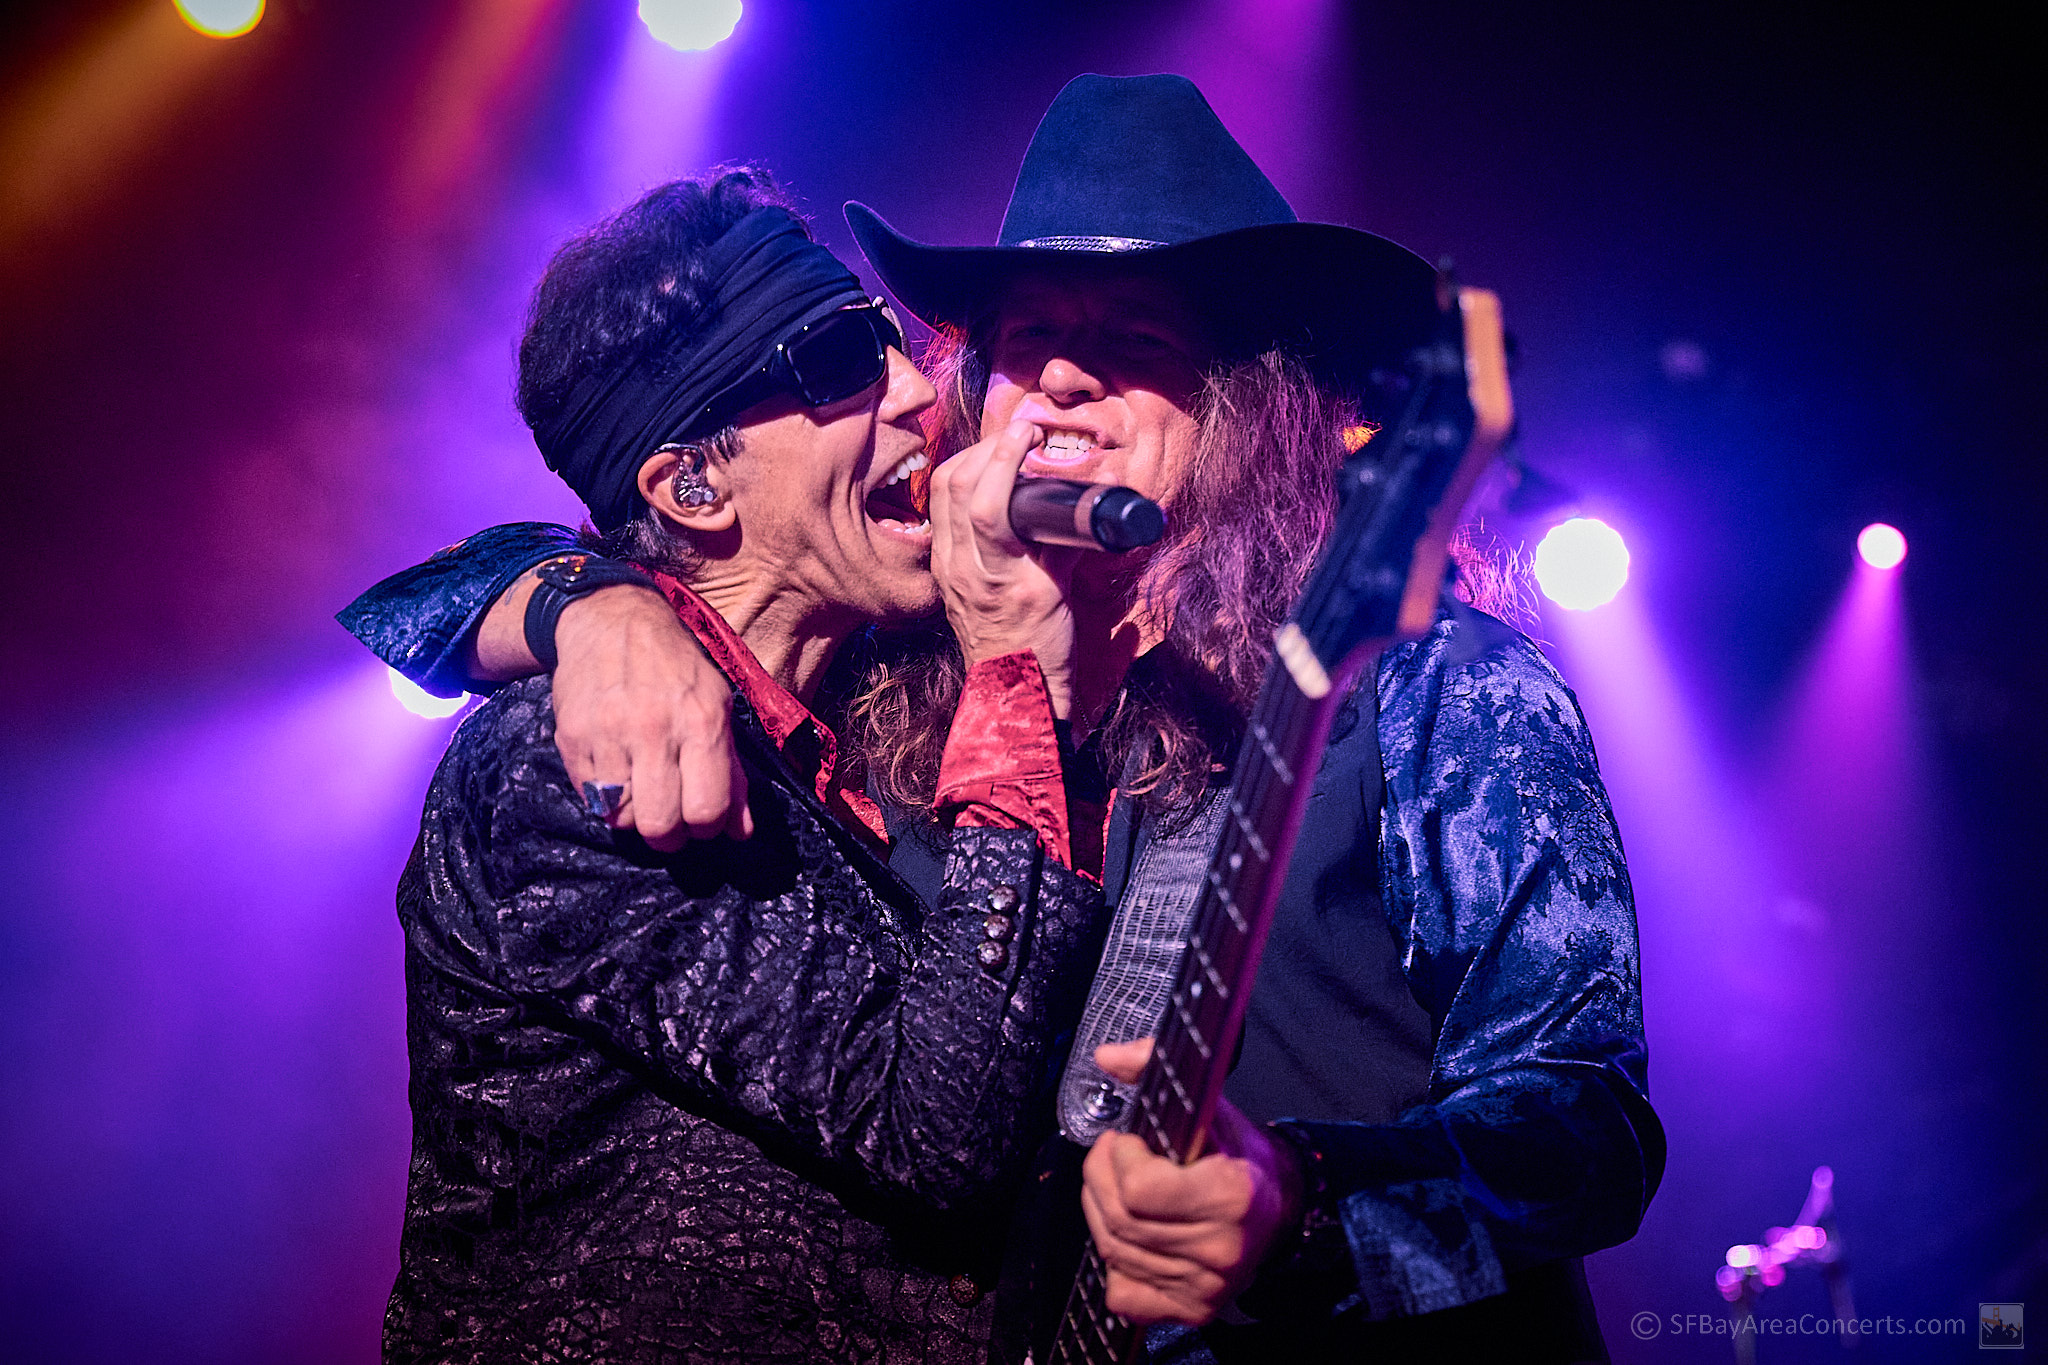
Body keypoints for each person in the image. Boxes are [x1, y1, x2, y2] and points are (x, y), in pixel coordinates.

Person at [345, 76, 1664, 1363]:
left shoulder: (1427, 686)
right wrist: (588, 599)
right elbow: (525, 565)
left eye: (1138, 343)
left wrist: (1308, 1202)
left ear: (1253, 407)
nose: (1065, 384)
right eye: (1028, 341)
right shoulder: (912, 696)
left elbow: (1588, 1125)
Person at [352, 168, 1115, 1364]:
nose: (920, 390)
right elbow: (940, 1139)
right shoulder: (574, 766)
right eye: (835, 363)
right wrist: (1015, 672)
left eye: (889, 342)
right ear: (690, 485)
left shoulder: (876, 720)